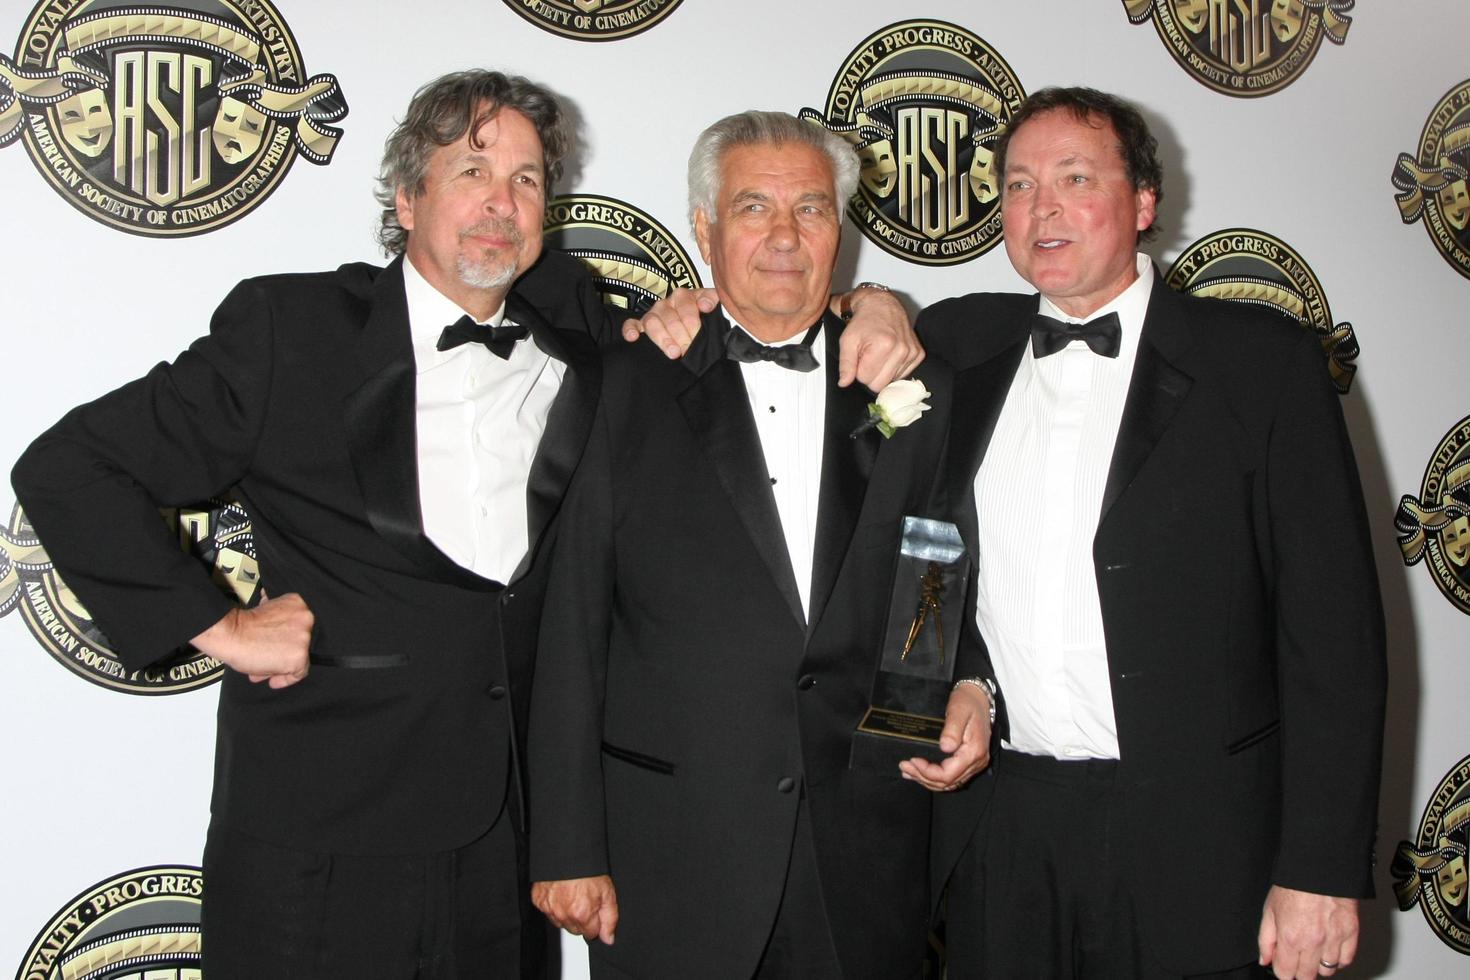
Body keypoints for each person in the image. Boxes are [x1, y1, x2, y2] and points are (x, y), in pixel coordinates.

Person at [9, 70, 916, 977]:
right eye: (472, 171)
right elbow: (70, 470)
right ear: (407, 197)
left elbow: (767, 303)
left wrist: (871, 304)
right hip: (319, 843)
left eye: (527, 180)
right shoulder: (293, 331)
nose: (502, 201)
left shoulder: (582, 332)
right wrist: (221, 626)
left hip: (503, 848)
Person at [902, 87, 1386, 980]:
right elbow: (933, 552)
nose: (1039, 207)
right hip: (1004, 831)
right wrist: (965, 674)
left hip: (1199, 843)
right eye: (1016, 185)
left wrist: (1318, 869)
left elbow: (1334, 640)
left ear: (1145, 203)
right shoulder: (958, 344)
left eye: (1073, 178)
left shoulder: (1262, 364)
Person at [526, 110, 952, 979]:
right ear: (704, 228)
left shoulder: (911, 384)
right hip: (675, 857)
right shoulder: (621, 384)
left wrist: (905, 747)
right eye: (754, 208)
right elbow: (570, 624)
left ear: (843, 226)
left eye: (813, 209)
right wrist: (566, 843)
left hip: (862, 856)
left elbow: (931, 580)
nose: (786, 236)